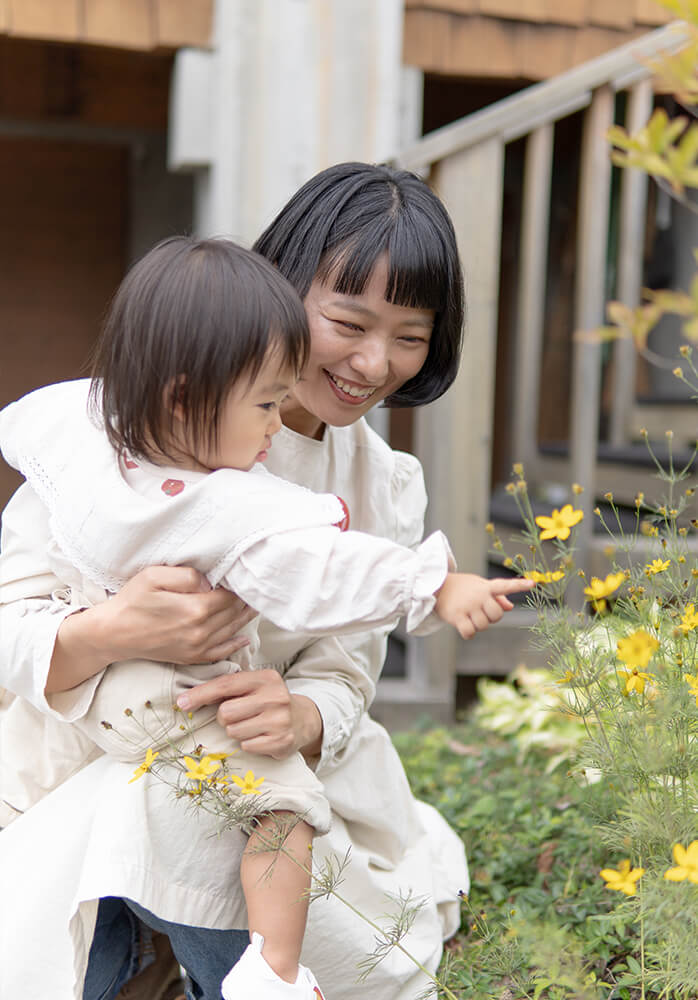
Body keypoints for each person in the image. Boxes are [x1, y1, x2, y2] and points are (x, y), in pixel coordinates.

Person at [0, 162, 495, 1000]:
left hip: (253, 782)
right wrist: (112, 632)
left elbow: (347, 671)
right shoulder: (110, 441)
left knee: (209, 804)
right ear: (281, 289)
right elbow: (9, 627)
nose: (374, 362)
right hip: (77, 768)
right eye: (349, 322)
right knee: (134, 827)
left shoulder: (382, 484)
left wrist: (301, 715)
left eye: (410, 336)